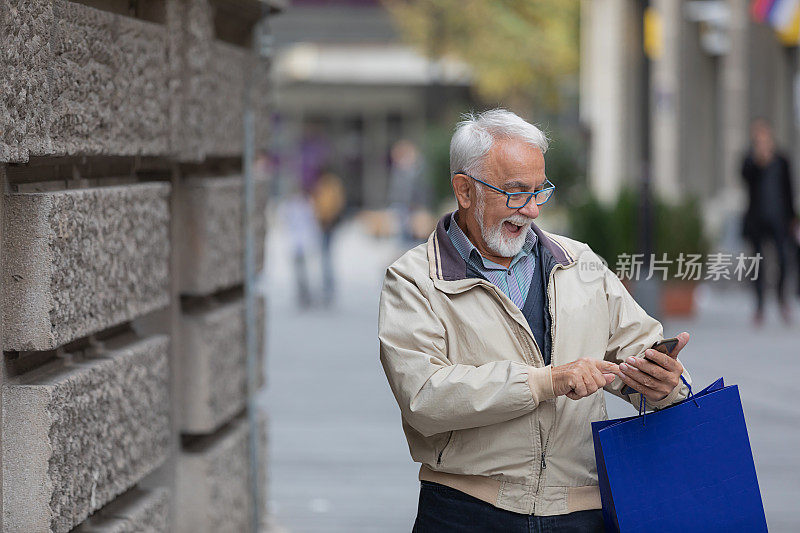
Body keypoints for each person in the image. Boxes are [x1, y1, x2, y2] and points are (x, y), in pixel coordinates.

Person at [378, 109, 693, 532]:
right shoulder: (414, 279)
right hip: (465, 510)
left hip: (580, 513)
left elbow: (638, 351)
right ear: (464, 190)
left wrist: (663, 385)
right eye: (514, 193)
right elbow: (423, 398)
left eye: (539, 191)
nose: (531, 210)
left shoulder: (580, 263)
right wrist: (546, 381)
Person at [741, 118, 798, 325]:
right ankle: (759, 305)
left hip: (780, 220)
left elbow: (789, 189)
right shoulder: (750, 160)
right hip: (757, 221)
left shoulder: (782, 160)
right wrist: (758, 161)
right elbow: (744, 177)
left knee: (783, 260)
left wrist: (793, 218)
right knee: (757, 264)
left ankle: (782, 299)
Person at [310, 169, 346, 307]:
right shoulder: (327, 184)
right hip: (324, 223)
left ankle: (328, 288)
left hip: (328, 223)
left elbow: (331, 204)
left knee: (326, 256)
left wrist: (328, 220)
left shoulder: (329, 185)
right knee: (325, 256)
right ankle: (327, 287)